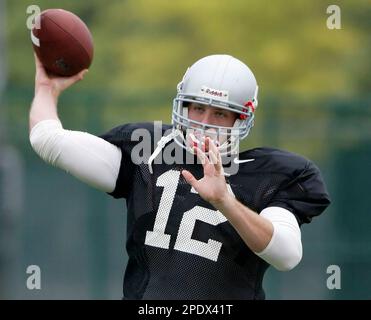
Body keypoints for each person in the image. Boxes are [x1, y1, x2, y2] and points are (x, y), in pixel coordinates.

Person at [29, 54, 331, 299]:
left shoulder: (269, 174)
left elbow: (287, 255)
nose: (204, 123)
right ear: (182, 105)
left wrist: (225, 201)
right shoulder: (148, 152)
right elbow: (48, 140)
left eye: (220, 114)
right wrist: (46, 88)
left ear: (242, 119)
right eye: (197, 108)